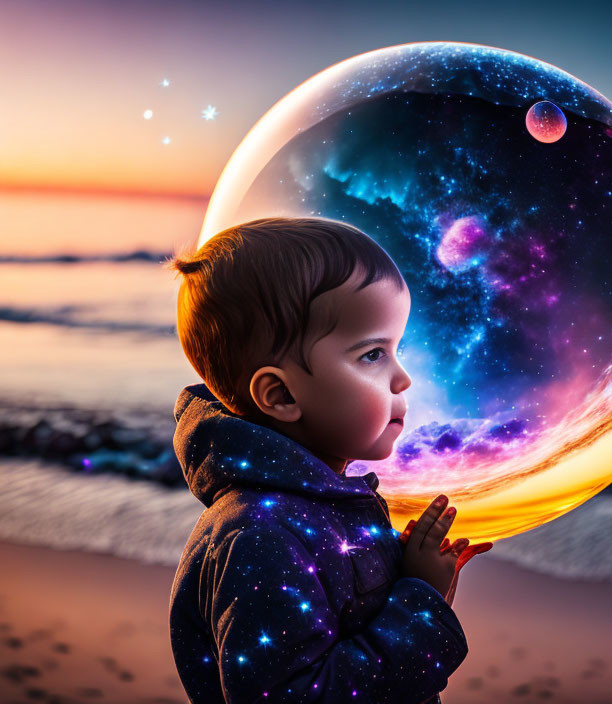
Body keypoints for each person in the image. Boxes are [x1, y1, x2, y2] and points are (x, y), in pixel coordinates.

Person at [164, 217, 492, 703]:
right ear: (279, 394)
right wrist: (420, 602)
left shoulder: (318, 506)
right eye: (372, 355)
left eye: (396, 349)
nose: (403, 379)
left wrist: (397, 569)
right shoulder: (258, 538)